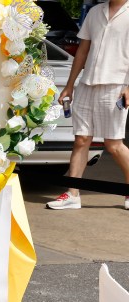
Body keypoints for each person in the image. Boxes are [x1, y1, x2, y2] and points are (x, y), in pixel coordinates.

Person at [47, 0, 129, 211]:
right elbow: (82, 51)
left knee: (113, 145)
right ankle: (73, 194)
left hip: (116, 86)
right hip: (87, 84)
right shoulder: (95, 12)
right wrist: (70, 85)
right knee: (82, 140)